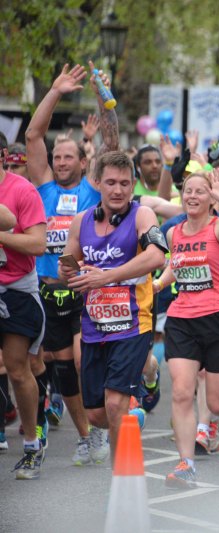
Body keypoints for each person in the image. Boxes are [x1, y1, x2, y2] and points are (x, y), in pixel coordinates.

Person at [26, 62, 118, 465]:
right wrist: (55, 91)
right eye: (57, 157)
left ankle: (102, 420)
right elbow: (33, 135)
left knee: (83, 361)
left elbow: (111, 143)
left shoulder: (92, 189)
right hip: (48, 292)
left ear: (83, 162)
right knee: (64, 371)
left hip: (85, 290)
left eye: (69, 157)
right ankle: (87, 435)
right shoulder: (43, 187)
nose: (61, 161)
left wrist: (103, 98)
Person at [153, 169, 219, 488]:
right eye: (188, 191)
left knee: (216, 403)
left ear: (210, 198)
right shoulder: (174, 233)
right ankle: (186, 464)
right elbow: (177, 265)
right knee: (182, 392)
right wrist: (158, 283)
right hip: (182, 319)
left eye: (200, 191)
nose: (192, 196)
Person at [59, 150, 167, 462]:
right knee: (97, 415)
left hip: (133, 325)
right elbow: (67, 268)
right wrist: (73, 271)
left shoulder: (142, 216)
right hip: (94, 327)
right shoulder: (81, 222)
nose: (118, 190)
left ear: (133, 185)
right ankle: (131, 417)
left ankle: (121, 479)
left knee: (115, 404)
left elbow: (157, 256)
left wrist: (106, 276)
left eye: (124, 183)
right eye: (110, 183)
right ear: (97, 183)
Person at [0, 133, 47, 479]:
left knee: (18, 369)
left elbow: (37, 244)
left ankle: (32, 443)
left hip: (16, 289)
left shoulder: (22, 190)